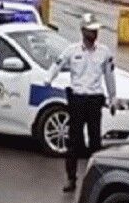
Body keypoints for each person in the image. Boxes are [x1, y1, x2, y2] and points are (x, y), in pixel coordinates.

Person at [47, 13, 120, 193]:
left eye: (95, 31)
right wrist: (48, 79)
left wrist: (113, 98)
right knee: (74, 142)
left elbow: (109, 77)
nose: (94, 34)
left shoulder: (104, 52)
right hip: (77, 98)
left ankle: (96, 180)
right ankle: (71, 178)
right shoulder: (72, 51)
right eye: (90, 30)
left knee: (95, 142)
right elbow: (57, 64)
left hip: (94, 99)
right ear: (83, 31)